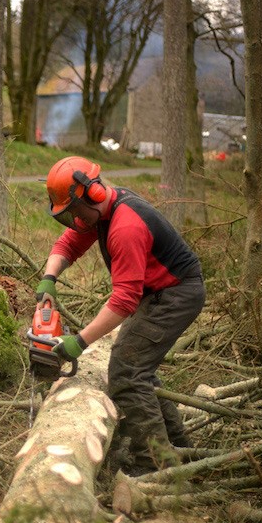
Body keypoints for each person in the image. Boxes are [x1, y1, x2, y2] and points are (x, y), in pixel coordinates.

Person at [35, 156, 205, 476]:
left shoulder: (125, 226)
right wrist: (49, 278)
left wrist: (78, 342)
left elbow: (124, 301)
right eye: (67, 214)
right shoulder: (101, 212)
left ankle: (156, 468)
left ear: (92, 194)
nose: (73, 219)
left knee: (127, 372)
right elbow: (69, 243)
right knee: (141, 372)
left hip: (176, 295)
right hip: (160, 293)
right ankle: (180, 455)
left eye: (74, 210)